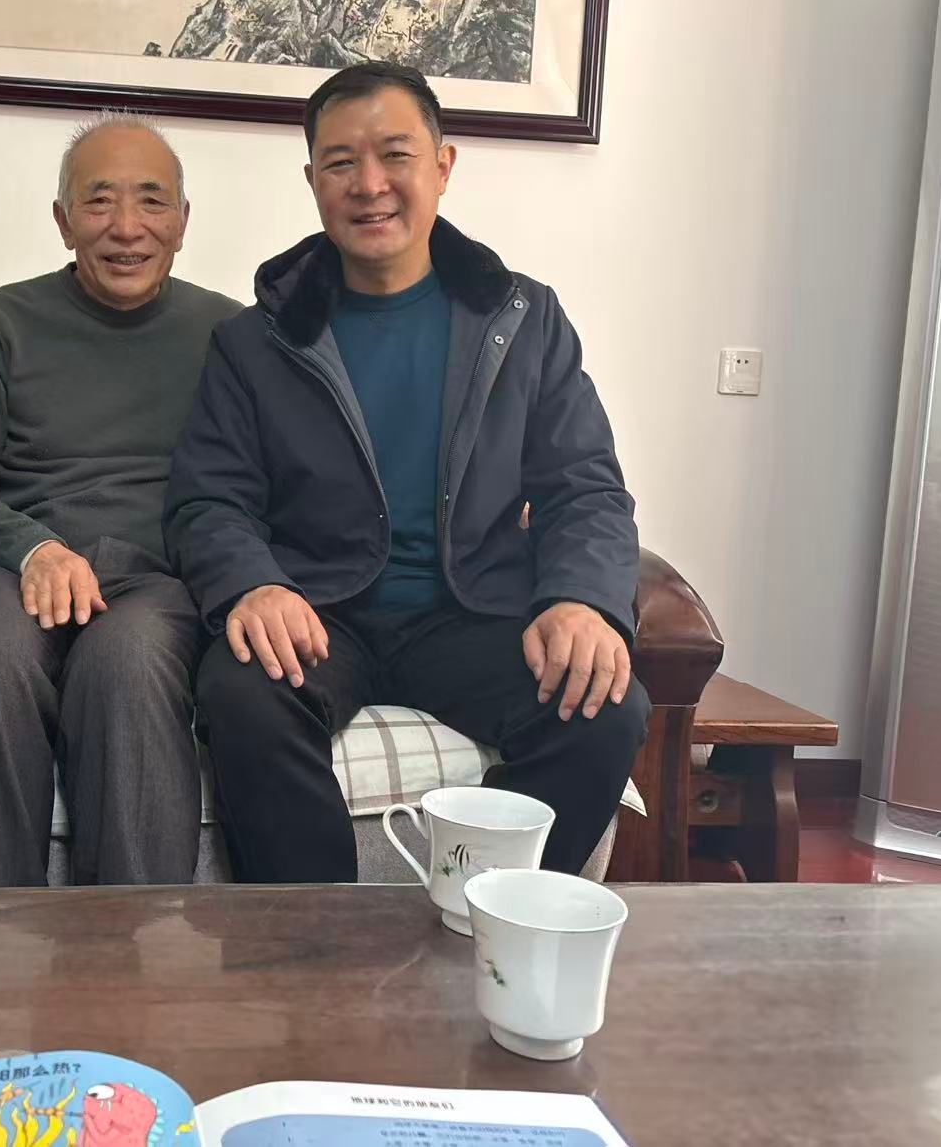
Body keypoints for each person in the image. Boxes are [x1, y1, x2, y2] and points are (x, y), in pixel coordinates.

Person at [164, 63, 648, 883]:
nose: (370, 185)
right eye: (341, 163)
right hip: (321, 610)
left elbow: (585, 487)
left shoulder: (522, 319)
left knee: (605, 706)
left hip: (473, 609)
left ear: (443, 166)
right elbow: (208, 499)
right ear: (313, 181)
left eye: (396, 155)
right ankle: (316, 939)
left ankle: (483, 907)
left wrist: (581, 598)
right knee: (242, 692)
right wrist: (254, 584)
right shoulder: (255, 341)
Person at [0, 113, 239, 886]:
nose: (126, 227)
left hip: (159, 580)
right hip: (15, 570)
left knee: (127, 665)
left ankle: (126, 947)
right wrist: (32, 548)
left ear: (183, 222)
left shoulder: (230, 333)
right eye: (99, 201)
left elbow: (255, 488)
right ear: (63, 221)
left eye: (152, 201)